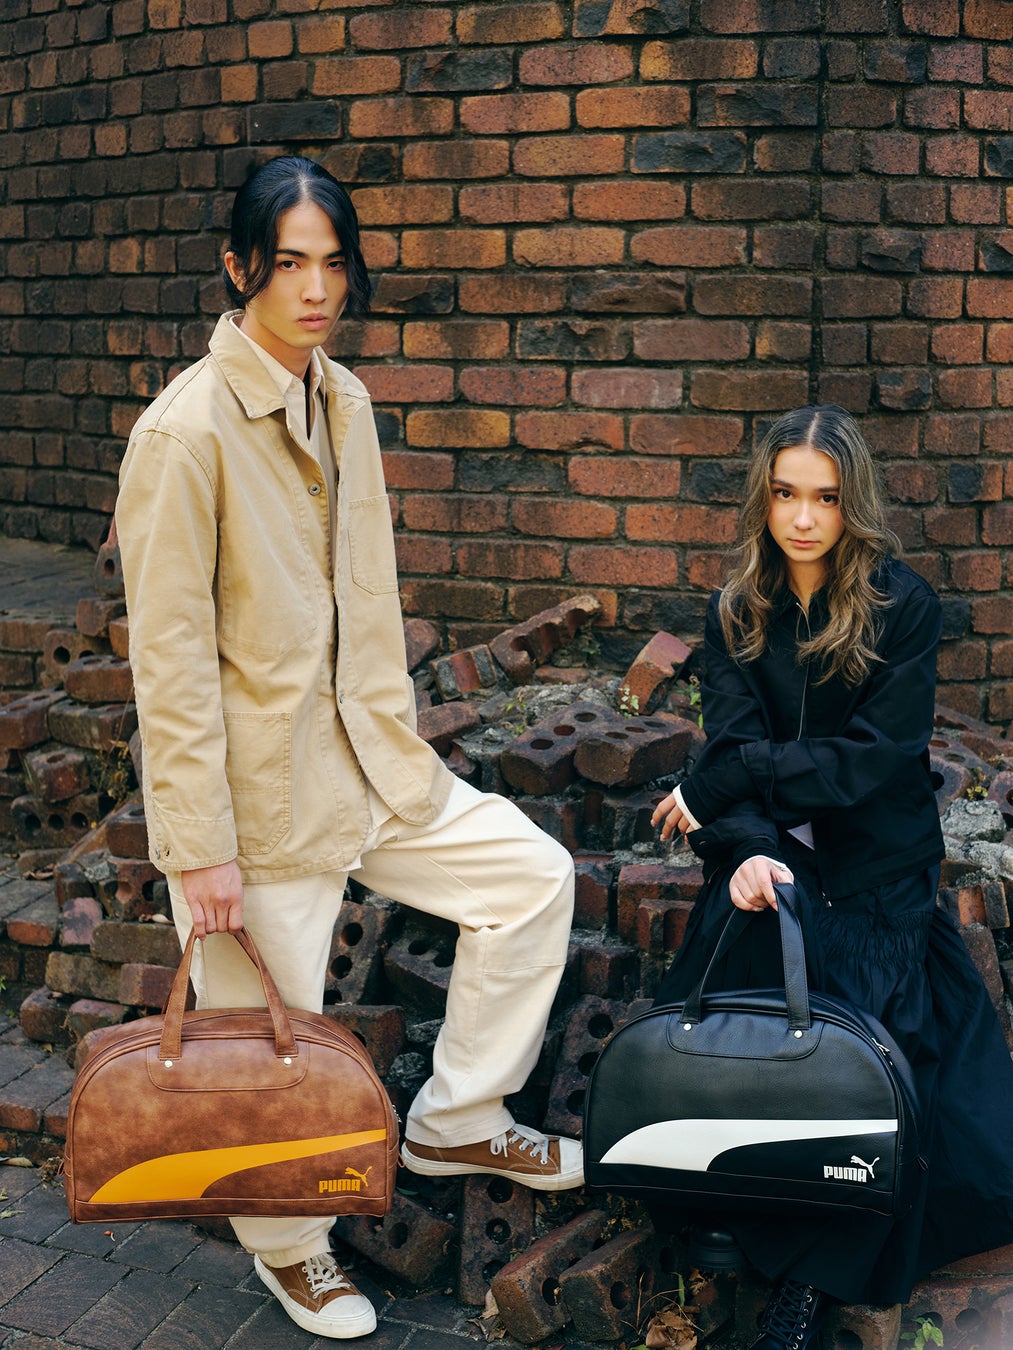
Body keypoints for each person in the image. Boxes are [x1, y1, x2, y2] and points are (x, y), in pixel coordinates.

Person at [115, 155, 582, 1341]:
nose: (316, 289)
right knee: (265, 1050)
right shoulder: (184, 435)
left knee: (529, 878)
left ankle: (458, 1116)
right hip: (257, 801)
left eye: (332, 263)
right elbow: (168, 663)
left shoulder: (347, 401)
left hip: (370, 761)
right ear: (240, 269)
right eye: (289, 264)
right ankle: (290, 1252)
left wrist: (394, 735)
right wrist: (198, 848)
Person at [650, 404, 1013, 1350]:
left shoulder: (903, 606)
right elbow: (732, 748)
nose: (803, 518)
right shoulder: (735, 608)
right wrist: (742, 847)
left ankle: (809, 1282)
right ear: (761, 498)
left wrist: (725, 780)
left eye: (825, 497)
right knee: (743, 1038)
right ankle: (740, 1215)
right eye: (784, 494)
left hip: (874, 876)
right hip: (773, 864)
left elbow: (870, 763)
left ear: (854, 503)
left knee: (865, 1079)